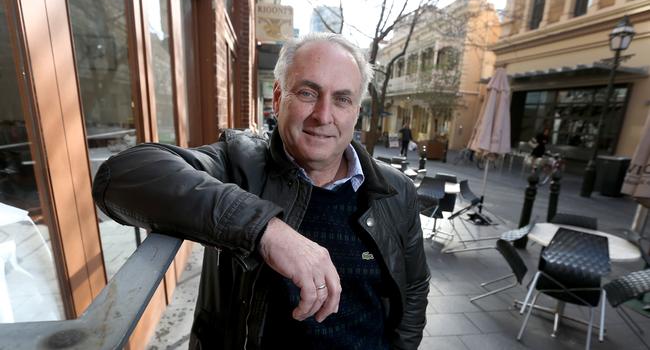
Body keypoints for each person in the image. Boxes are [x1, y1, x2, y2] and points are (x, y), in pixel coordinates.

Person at [92, 33, 430, 349]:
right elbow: (121, 175)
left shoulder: (394, 190)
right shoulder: (240, 167)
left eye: (342, 99)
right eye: (308, 93)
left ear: (356, 111)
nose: (323, 115)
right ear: (279, 97)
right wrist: (265, 230)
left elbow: (413, 286)